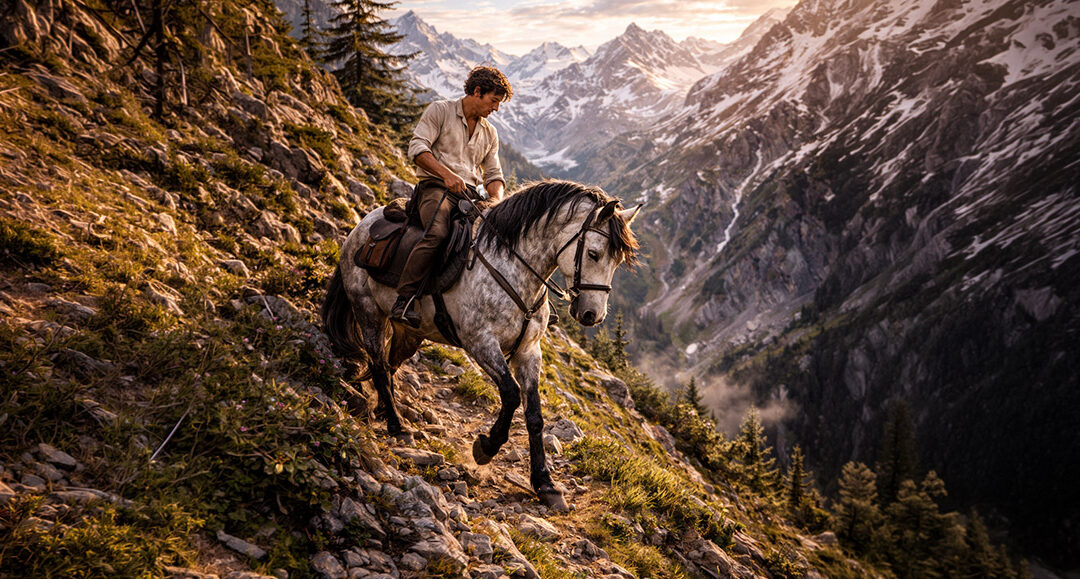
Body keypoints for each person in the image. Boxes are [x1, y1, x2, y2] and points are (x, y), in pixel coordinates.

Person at [391, 66, 512, 326]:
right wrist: (446, 175)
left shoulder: (490, 133)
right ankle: (405, 299)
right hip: (434, 189)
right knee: (438, 233)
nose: (496, 109)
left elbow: (494, 174)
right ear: (477, 92)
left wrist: (497, 200)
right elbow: (417, 147)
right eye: (494, 101)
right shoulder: (440, 111)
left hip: (469, 196)